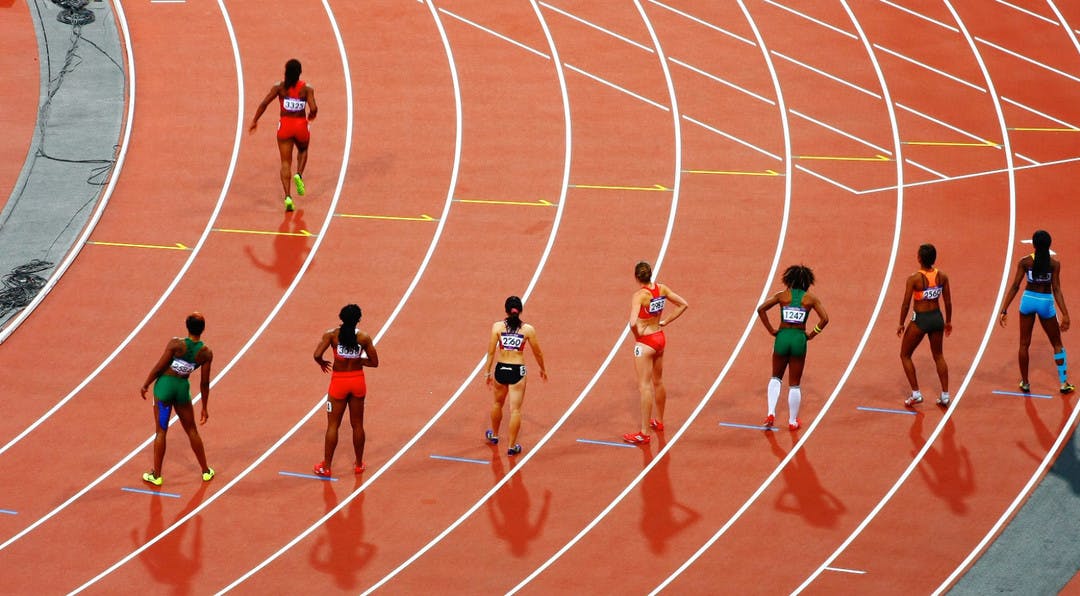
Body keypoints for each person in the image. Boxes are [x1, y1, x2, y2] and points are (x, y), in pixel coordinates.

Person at [140, 313, 215, 486]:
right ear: (203, 329)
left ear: (186, 326)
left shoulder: (176, 344)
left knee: (161, 431)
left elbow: (159, 367)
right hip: (182, 391)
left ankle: (156, 475)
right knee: (192, 430)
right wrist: (204, 407)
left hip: (165, 389)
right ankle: (205, 471)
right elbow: (204, 383)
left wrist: (146, 384)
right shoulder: (206, 353)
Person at [999, 230, 1073, 393]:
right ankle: (1063, 383)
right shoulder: (1054, 264)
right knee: (1057, 344)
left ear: (1034, 245)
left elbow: (1015, 286)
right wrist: (1065, 314)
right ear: (1049, 245)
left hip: (1027, 301)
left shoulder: (1025, 262)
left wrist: (1004, 309)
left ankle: (1025, 383)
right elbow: (1057, 290)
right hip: (1045, 302)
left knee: (1024, 344)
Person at [756, 265, 828, 430]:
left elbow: (761, 309)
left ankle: (771, 413)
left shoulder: (782, 296)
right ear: (808, 283)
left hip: (782, 337)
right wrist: (812, 334)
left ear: (788, 280)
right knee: (794, 384)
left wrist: (771, 330)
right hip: (799, 339)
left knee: (775, 377)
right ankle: (792, 421)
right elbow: (825, 319)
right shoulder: (811, 299)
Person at [624, 261, 688, 444]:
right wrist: (666, 321)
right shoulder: (662, 289)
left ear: (636, 277)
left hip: (645, 342)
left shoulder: (639, 296)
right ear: (650, 274)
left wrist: (638, 337)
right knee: (658, 381)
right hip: (660, 337)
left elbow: (632, 323)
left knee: (644, 386)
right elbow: (683, 304)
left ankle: (644, 433)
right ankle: (659, 421)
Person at [313, 304, 378, 476]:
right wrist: (359, 361)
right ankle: (358, 464)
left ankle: (326, 467)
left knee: (333, 425)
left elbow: (317, 355)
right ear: (358, 319)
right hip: (357, 381)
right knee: (357, 424)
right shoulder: (364, 337)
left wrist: (322, 363)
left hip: (338, 383)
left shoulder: (332, 335)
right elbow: (374, 362)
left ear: (341, 318)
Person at [249, 58, 318, 212]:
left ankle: (288, 197)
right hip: (300, 125)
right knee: (303, 150)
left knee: (285, 163)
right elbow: (313, 108)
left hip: (285, 126)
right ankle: (299, 174)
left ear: (286, 72)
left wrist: (255, 120)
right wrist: (312, 115)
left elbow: (264, 103)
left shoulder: (279, 87)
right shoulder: (307, 89)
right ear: (300, 73)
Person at [483, 296, 547, 456]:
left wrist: (487, 371)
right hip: (517, 370)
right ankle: (511, 447)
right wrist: (542, 368)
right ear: (520, 311)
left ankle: (495, 436)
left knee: (497, 404)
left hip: (501, 369)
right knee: (515, 410)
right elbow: (537, 352)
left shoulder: (497, 327)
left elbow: (491, 351)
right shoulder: (528, 330)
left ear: (506, 310)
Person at [898, 244, 952, 407]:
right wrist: (948, 321)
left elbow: (906, 304)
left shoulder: (914, 279)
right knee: (939, 356)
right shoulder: (942, 276)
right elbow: (948, 301)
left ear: (919, 258)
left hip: (920, 320)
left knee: (905, 355)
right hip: (937, 318)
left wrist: (901, 323)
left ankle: (916, 394)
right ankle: (945, 395)